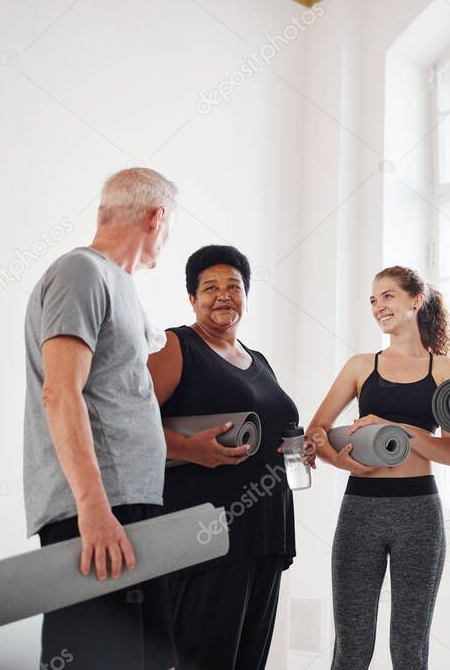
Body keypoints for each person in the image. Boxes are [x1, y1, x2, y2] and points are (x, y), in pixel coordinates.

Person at [23, 167, 179, 669]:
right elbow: (60, 392)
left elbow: (125, 393)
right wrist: (92, 507)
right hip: (97, 513)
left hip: (126, 506)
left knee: (144, 660)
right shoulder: (81, 273)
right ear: (158, 218)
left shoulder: (119, 285)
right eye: (169, 226)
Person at [146, 244, 314, 670]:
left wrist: (298, 447)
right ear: (191, 298)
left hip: (265, 532)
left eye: (234, 286)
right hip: (207, 534)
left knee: (248, 661)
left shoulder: (259, 361)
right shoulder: (175, 345)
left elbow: (275, 430)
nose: (224, 295)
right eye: (210, 287)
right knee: (203, 660)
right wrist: (187, 448)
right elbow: (124, 426)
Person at [308, 265, 450, 670]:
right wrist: (336, 459)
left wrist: (397, 429)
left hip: (419, 512)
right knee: (352, 645)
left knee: (410, 647)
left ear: (416, 300)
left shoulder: (444, 370)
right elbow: (317, 432)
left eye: (388, 296)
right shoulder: (361, 366)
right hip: (361, 508)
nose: (379, 306)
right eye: (373, 300)